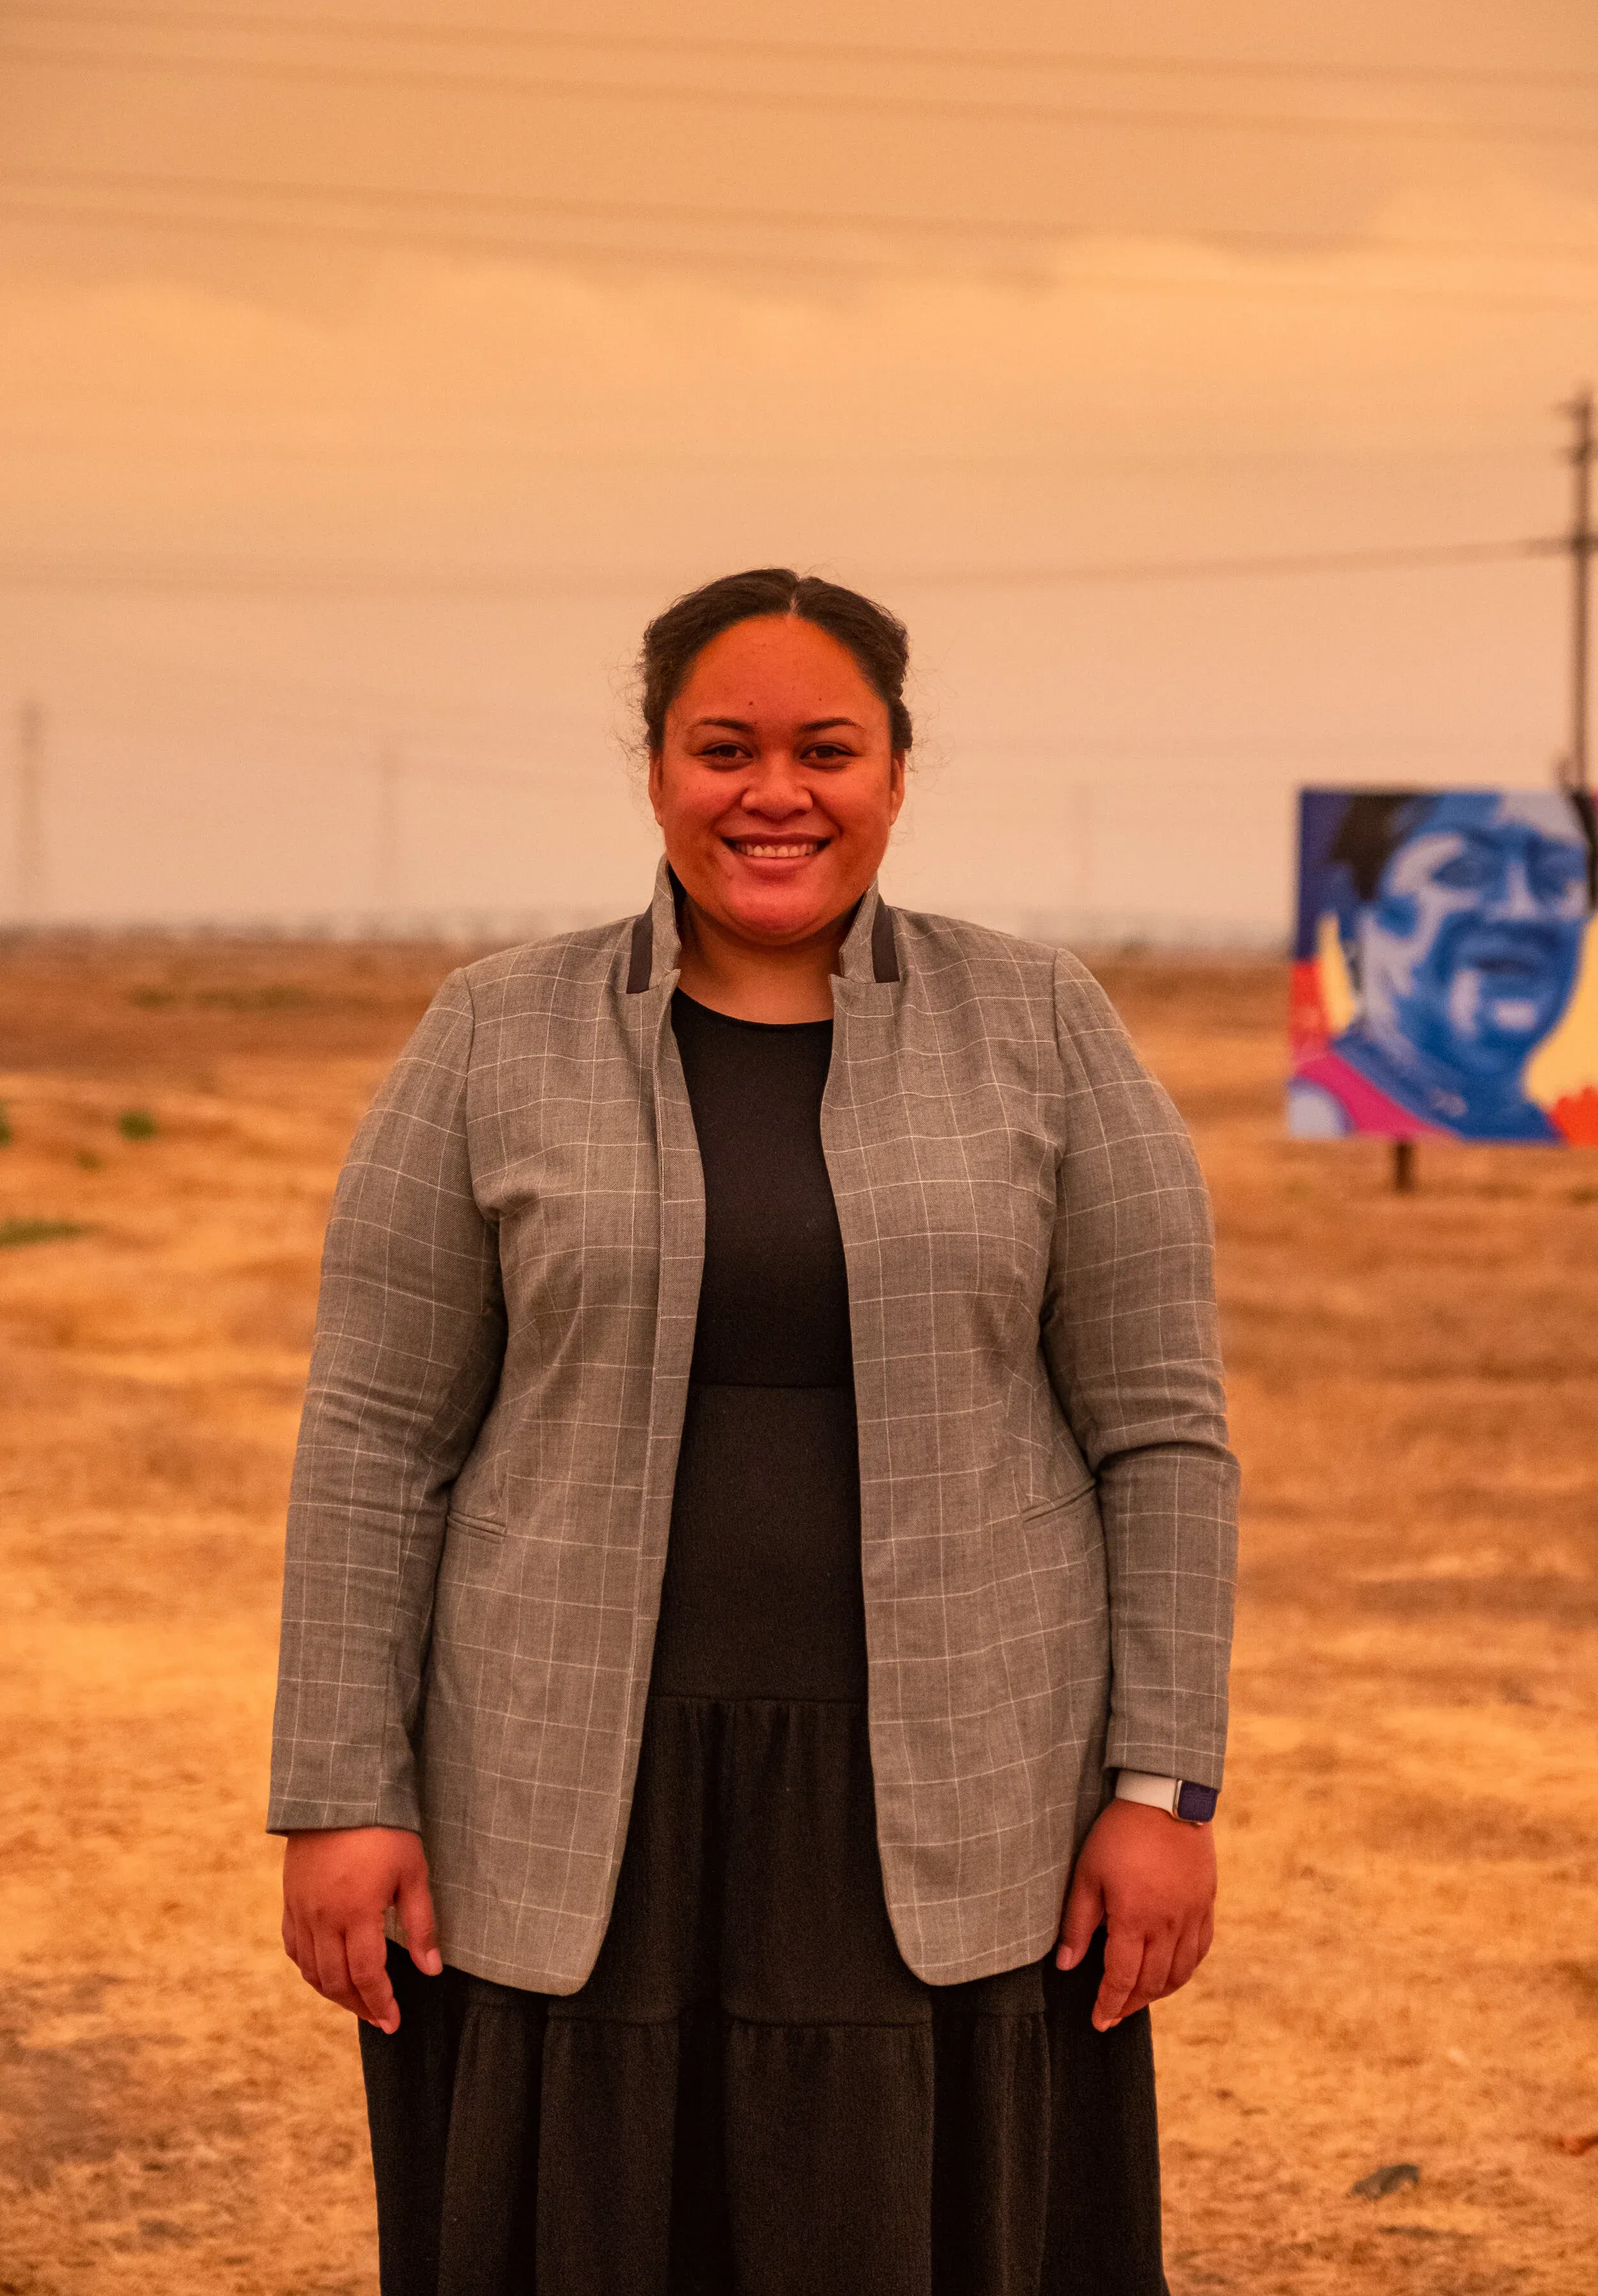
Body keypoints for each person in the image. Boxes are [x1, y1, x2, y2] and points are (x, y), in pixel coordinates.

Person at [269, 568, 1239, 2296]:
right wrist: (345, 1790)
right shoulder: (497, 1029)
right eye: (724, 746)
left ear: (893, 770)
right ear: (655, 766)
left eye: (824, 748)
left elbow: (1159, 1433)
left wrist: (1156, 1785)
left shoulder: (1041, 1027)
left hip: (958, 1801)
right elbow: (372, 1434)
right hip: (566, 1798)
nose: (772, 791)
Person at [1289, 789, 1595, 1144]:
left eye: (1558, 875)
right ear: (1353, 906)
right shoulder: (1321, 1117)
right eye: (1464, 871)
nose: (1522, 910)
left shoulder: (1547, 1133)